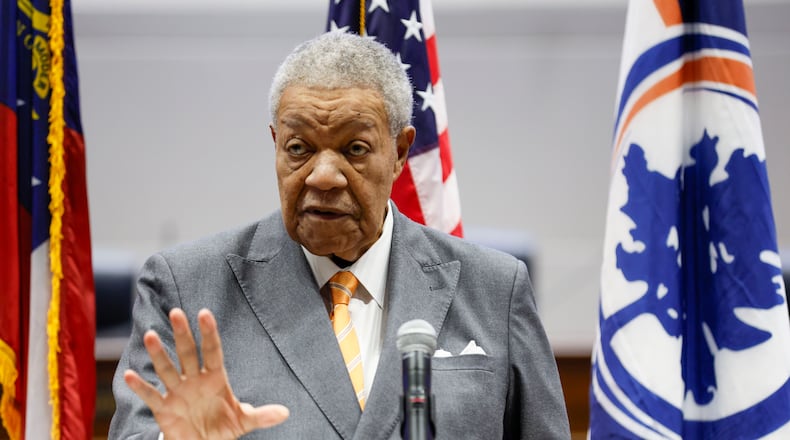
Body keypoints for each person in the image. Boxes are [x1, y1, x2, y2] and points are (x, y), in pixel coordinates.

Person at [108, 31, 571, 439]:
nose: (323, 176)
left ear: (400, 152)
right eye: (299, 149)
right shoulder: (187, 288)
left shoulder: (494, 289)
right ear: (275, 145)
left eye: (354, 149)